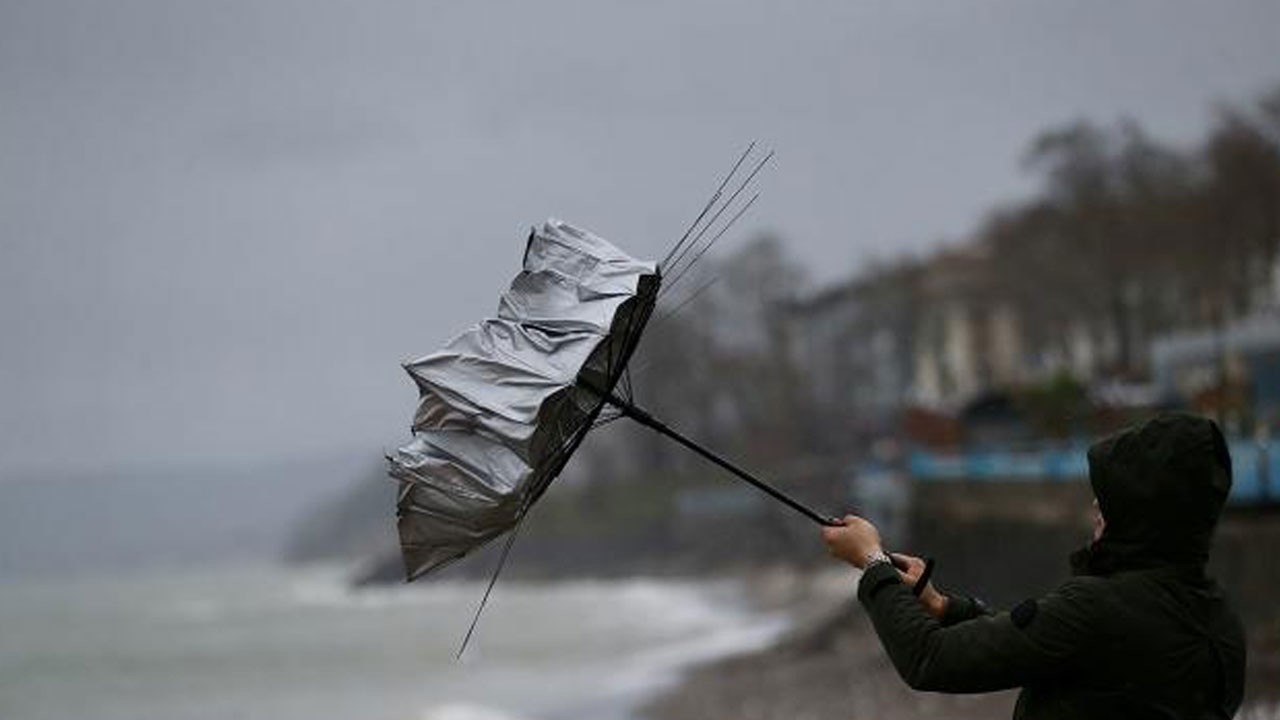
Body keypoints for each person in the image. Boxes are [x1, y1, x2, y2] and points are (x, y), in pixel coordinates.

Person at [822, 412, 1247, 719]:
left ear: (1144, 512)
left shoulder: (1097, 609)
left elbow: (931, 659)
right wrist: (946, 607)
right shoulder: (1219, 619)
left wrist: (872, 562)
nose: (1097, 506)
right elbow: (1054, 647)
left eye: (1112, 498)